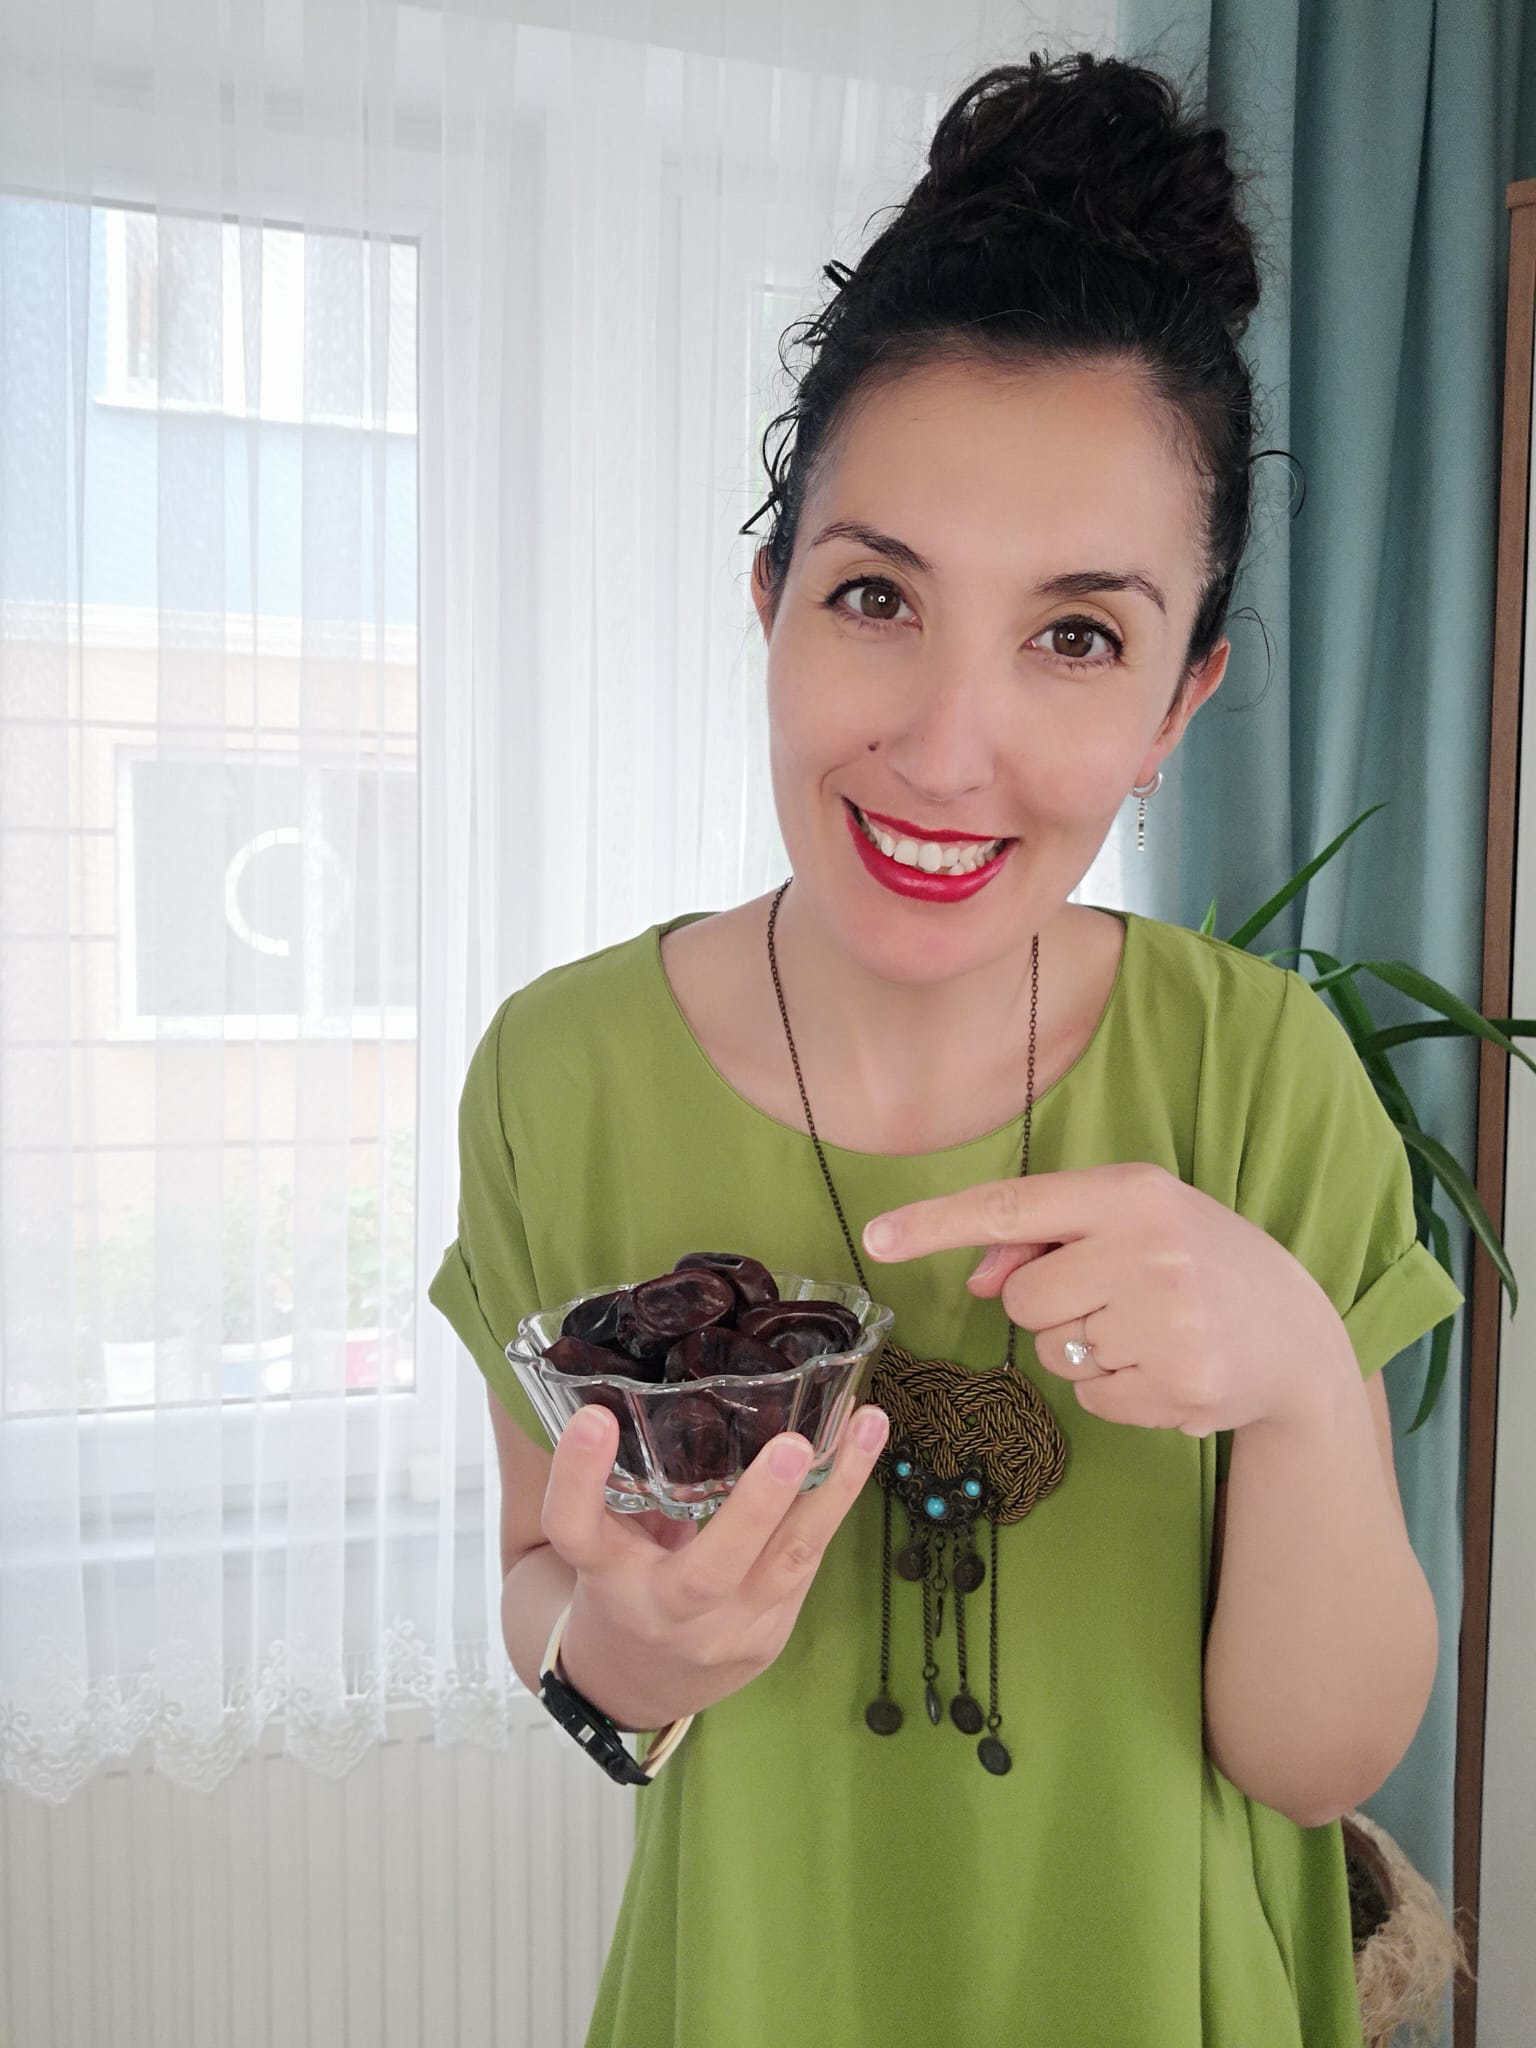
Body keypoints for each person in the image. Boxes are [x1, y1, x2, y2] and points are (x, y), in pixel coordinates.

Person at [428, 47, 1464, 2048]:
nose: (945, 746)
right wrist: (633, 1656)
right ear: (771, 602)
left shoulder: (1260, 1079)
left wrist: (1298, 1384)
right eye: (877, 594)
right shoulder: (560, 1076)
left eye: (1077, 635)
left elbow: (1315, 1758)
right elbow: (543, 1592)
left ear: (1179, 703)